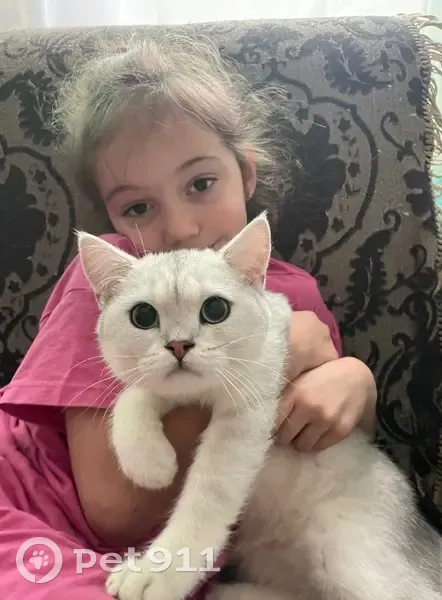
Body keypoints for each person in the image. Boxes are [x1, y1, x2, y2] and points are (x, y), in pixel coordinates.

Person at [0, 36, 376, 599]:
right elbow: (116, 510)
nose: (179, 228)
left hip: (180, 557)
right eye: (138, 207)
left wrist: (358, 385)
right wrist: (282, 357)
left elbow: (323, 448)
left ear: (245, 172)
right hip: (31, 506)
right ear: (111, 217)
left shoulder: (296, 296)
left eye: (201, 184)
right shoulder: (118, 280)